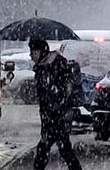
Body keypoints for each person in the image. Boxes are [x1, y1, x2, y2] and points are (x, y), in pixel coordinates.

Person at [30, 39, 82, 170]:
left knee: (46, 149)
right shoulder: (43, 67)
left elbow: (61, 92)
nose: (31, 56)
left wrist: (55, 111)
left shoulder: (54, 66)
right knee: (62, 149)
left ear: (41, 52)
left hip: (57, 116)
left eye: (33, 52)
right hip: (52, 116)